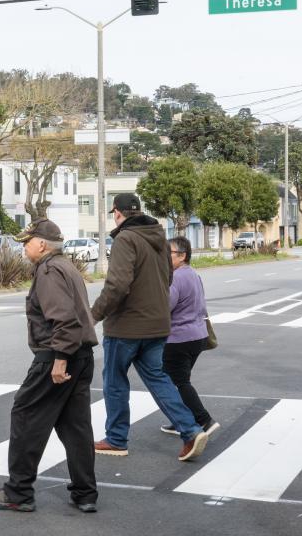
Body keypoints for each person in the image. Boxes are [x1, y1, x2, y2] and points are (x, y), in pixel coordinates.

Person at [0, 218, 99, 514]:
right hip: (81, 356)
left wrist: (59, 360)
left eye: (27, 242)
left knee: (25, 416)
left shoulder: (48, 270)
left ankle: (18, 492)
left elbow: (65, 320)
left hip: (57, 357)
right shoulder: (67, 267)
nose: (24, 248)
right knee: (76, 427)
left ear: (42, 244)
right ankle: (85, 494)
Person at [91, 193, 208, 462]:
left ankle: (117, 439)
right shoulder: (158, 238)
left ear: (117, 213)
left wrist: (93, 315)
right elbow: (168, 277)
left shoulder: (125, 238)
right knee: (159, 379)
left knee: (115, 382)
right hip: (157, 324)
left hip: (127, 326)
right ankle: (190, 430)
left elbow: (117, 285)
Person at [160, 236, 219, 437]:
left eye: (169, 253)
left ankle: (204, 420)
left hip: (178, 338)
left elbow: (165, 307)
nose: (164, 257)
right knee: (180, 380)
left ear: (182, 256)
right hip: (197, 336)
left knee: (178, 382)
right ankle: (181, 421)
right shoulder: (193, 274)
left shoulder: (176, 278)